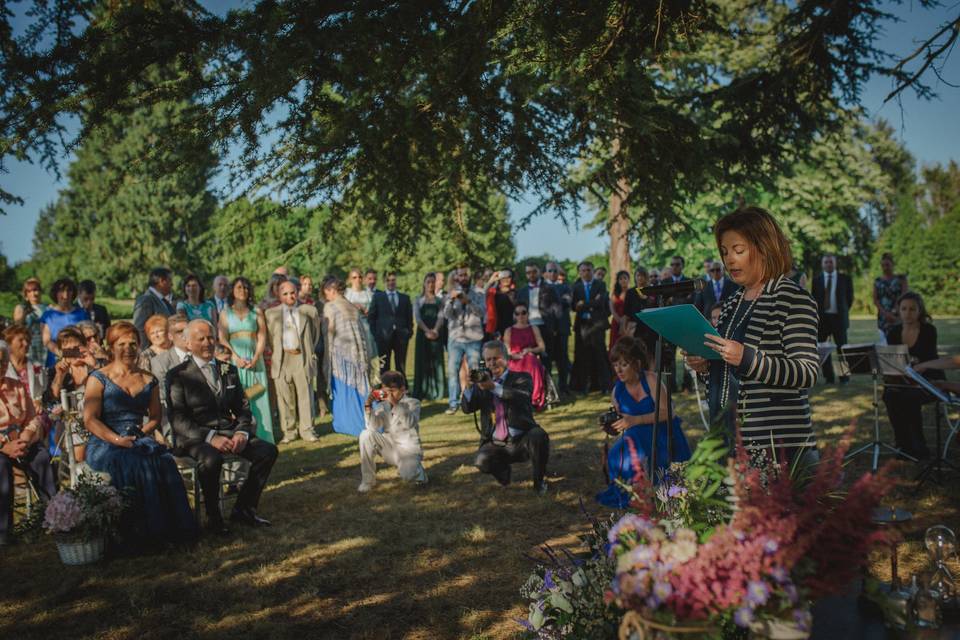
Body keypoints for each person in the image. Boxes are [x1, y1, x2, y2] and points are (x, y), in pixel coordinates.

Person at [686, 206, 820, 464]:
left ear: (764, 248)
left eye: (738, 250)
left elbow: (806, 372)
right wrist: (704, 366)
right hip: (727, 436)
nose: (729, 260)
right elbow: (728, 372)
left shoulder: (793, 298)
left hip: (775, 444)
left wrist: (747, 358)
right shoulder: (733, 301)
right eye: (725, 252)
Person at [82, 322, 196, 545]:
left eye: (133, 343)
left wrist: (140, 434)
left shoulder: (148, 379)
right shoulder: (98, 377)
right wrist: (117, 440)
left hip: (136, 437)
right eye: (121, 344)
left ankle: (172, 530)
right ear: (111, 346)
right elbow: (90, 419)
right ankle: (141, 534)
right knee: (135, 463)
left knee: (163, 460)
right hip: (104, 442)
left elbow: (154, 417)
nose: (128, 348)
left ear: (139, 345)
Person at [167, 319, 278, 534]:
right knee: (211, 459)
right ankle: (214, 517)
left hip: (229, 432)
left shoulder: (228, 369)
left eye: (210, 337)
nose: (208, 343)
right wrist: (210, 437)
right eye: (201, 339)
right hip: (193, 437)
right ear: (188, 343)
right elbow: (178, 419)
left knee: (267, 451)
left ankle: (244, 509)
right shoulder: (178, 375)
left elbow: (244, 408)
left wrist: (242, 432)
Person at [596, 337, 691, 507]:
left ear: (637, 363)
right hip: (635, 437)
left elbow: (668, 413)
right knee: (615, 455)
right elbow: (622, 423)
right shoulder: (617, 391)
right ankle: (633, 493)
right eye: (616, 364)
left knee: (641, 455)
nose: (619, 369)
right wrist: (611, 428)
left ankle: (651, 491)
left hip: (661, 434)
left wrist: (635, 420)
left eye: (624, 364)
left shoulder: (651, 380)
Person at [462, 340, 549, 494]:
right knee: (481, 461)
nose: (492, 363)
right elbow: (468, 408)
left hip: (522, 439)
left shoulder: (521, 377)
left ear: (506, 359)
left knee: (539, 435)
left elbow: (521, 396)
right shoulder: (482, 383)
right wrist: (468, 386)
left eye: (496, 358)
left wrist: (493, 387)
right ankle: (504, 474)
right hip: (496, 442)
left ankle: (539, 481)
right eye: (488, 360)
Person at [0, 340, 57, 546]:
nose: (1, 366)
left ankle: (54, 518)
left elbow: (33, 417)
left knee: (42, 458)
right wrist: (4, 447)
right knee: (1, 467)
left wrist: (24, 438)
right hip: (1, 446)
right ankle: (3, 532)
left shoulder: (16, 386)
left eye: (4, 361)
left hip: (22, 440)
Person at [882, 292, 943, 460]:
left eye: (912, 309)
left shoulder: (929, 330)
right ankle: (903, 445)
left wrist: (915, 362)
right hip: (903, 377)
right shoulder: (893, 332)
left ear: (920, 311)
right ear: (898, 311)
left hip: (930, 378)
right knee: (889, 395)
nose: (907, 313)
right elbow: (892, 361)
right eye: (904, 309)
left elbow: (930, 359)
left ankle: (919, 446)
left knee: (909, 397)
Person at [220, 277, 275, 444]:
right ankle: (242, 435)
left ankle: (263, 436)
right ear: (232, 291)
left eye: (245, 287)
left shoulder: (256, 311)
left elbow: (262, 335)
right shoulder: (225, 312)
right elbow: (222, 337)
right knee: (240, 396)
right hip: (235, 360)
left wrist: (257, 356)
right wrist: (235, 357)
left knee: (258, 393)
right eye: (238, 287)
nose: (242, 290)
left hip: (254, 360)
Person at [265, 281, 320, 443]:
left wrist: (309, 351)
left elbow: (315, 334)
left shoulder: (309, 311)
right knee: (284, 397)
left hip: (301, 356)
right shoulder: (271, 313)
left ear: (297, 292)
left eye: (292, 292)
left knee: (305, 395)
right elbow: (270, 338)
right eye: (285, 294)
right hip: (282, 358)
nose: (290, 296)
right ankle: (289, 431)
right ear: (279, 295)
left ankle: (307, 429)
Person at [358, 371, 428, 493]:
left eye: (393, 391)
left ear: (403, 389)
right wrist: (368, 406)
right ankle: (367, 481)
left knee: (409, 477)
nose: (389, 394)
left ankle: (419, 472)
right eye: (386, 391)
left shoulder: (413, 403)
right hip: (389, 448)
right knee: (365, 434)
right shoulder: (382, 405)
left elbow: (409, 422)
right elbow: (372, 427)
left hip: (408, 450)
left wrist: (395, 403)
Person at [322, 275, 374, 437]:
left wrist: (327, 357)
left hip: (341, 354)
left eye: (327, 292)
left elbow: (329, 332)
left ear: (331, 290)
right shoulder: (351, 306)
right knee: (360, 388)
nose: (326, 296)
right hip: (358, 352)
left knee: (344, 387)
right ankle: (368, 419)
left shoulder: (330, 307)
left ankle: (347, 422)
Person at [45, 326, 96, 461]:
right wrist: (59, 377)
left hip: (99, 418)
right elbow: (51, 401)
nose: (73, 353)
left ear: (84, 347)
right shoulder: (55, 371)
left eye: (76, 348)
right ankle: (85, 478)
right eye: (68, 351)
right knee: (78, 449)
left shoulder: (96, 366)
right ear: (62, 353)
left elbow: (112, 389)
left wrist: (94, 365)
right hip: (70, 422)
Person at [442, 267, 486, 415]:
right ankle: (453, 403)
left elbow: (481, 313)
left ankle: (476, 400)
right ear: (456, 278)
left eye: (465, 275)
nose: (463, 277)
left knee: (474, 370)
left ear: (470, 276)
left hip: (474, 337)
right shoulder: (450, 293)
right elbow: (447, 315)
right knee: (453, 371)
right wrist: (452, 300)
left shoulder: (478, 293)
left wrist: (468, 301)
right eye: (460, 275)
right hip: (455, 337)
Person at [812, 254, 854, 385]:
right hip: (822, 320)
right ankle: (829, 377)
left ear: (835, 264)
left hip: (839, 319)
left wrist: (842, 311)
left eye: (831, 262)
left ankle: (844, 377)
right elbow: (814, 299)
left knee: (842, 349)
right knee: (824, 350)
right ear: (822, 264)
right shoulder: (816, 280)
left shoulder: (845, 279)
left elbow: (849, 299)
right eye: (826, 262)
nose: (828, 264)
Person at [570, 261, 610, 394]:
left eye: (588, 270)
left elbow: (600, 302)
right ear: (579, 272)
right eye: (583, 270)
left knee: (600, 355)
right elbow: (573, 306)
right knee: (582, 356)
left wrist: (584, 304)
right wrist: (590, 303)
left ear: (593, 271)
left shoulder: (601, 284)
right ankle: (583, 387)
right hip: (582, 325)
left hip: (597, 324)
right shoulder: (576, 287)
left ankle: (605, 386)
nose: (586, 273)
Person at [149, 314, 190, 442]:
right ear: (170, 336)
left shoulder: (201, 356)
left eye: (187, 330)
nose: (185, 335)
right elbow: (163, 398)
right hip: (175, 421)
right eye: (180, 332)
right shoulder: (160, 362)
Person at [368, 272, 414, 375]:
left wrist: (409, 332)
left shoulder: (404, 298)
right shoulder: (378, 297)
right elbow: (371, 317)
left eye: (393, 280)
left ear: (396, 281)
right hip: (383, 337)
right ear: (385, 282)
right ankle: (385, 388)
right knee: (384, 365)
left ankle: (402, 388)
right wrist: (376, 334)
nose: (391, 282)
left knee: (401, 365)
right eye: (388, 280)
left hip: (401, 337)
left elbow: (409, 317)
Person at [504, 302, 548, 410]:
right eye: (517, 313)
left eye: (523, 313)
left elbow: (542, 347)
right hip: (515, 358)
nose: (520, 316)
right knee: (515, 368)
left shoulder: (534, 328)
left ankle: (534, 398)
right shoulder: (509, 331)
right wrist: (514, 356)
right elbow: (506, 351)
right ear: (514, 315)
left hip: (529, 356)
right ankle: (517, 398)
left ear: (528, 314)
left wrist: (530, 350)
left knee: (531, 363)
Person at [39, 278, 88, 367]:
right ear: (55, 293)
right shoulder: (47, 315)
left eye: (69, 290)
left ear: (73, 293)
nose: (65, 295)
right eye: (61, 291)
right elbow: (46, 341)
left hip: (80, 361)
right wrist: (63, 354)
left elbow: (87, 337)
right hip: (56, 363)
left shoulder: (82, 313)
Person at [412, 272, 446, 400]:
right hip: (423, 335)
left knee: (436, 362)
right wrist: (427, 331)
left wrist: (435, 330)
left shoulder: (440, 300)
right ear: (424, 284)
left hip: (436, 334)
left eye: (433, 282)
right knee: (422, 361)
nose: (431, 284)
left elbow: (441, 317)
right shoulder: (418, 300)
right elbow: (418, 318)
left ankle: (437, 391)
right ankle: (422, 390)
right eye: (428, 282)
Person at [541, 261, 572, 393]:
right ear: (545, 273)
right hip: (547, 330)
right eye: (550, 271)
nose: (553, 273)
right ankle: (548, 390)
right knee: (547, 360)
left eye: (555, 271)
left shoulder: (565, 287)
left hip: (562, 328)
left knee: (563, 359)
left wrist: (553, 295)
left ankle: (563, 387)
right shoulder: (541, 288)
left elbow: (567, 302)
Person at [4, 324, 47, 401]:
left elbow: (44, 391)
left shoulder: (37, 366)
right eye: (20, 340)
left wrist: (39, 401)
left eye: (27, 340)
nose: (26, 344)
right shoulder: (3, 368)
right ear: (9, 343)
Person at [132, 267, 176, 342]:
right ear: (162, 281)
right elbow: (140, 329)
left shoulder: (162, 300)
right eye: (170, 280)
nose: (172, 284)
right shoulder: (146, 300)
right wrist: (148, 352)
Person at [622, 266, 658, 357]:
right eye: (638, 275)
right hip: (636, 328)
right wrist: (624, 329)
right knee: (637, 353)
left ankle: (651, 371)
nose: (640, 278)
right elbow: (626, 312)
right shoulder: (630, 292)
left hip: (651, 327)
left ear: (647, 277)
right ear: (635, 277)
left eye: (643, 275)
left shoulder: (653, 291)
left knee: (651, 354)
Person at [873, 252, 909, 341]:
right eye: (883, 265)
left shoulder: (901, 279)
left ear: (893, 265)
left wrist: (895, 311)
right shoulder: (878, 281)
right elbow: (875, 299)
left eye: (887, 265)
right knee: (885, 343)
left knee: (900, 342)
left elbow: (904, 295)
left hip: (899, 315)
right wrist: (885, 313)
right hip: (883, 317)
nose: (885, 268)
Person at [12, 277, 48, 365]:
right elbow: (16, 328)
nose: (33, 293)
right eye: (29, 291)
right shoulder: (20, 308)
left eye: (36, 290)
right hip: (28, 346)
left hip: (45, 346)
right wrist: (24, 314)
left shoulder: (47, 308)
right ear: (26, 295)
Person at [609, 270, 630, 350]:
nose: (623, 280)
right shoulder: (615, 294)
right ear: (618, 281)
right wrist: (619, 320)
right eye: (620, 279)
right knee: (615, 344)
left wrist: (624, 321)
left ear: (628, 280)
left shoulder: (631, 292)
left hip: (628, 322)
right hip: (616, 322)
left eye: (625, 278)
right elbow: (612, 309)